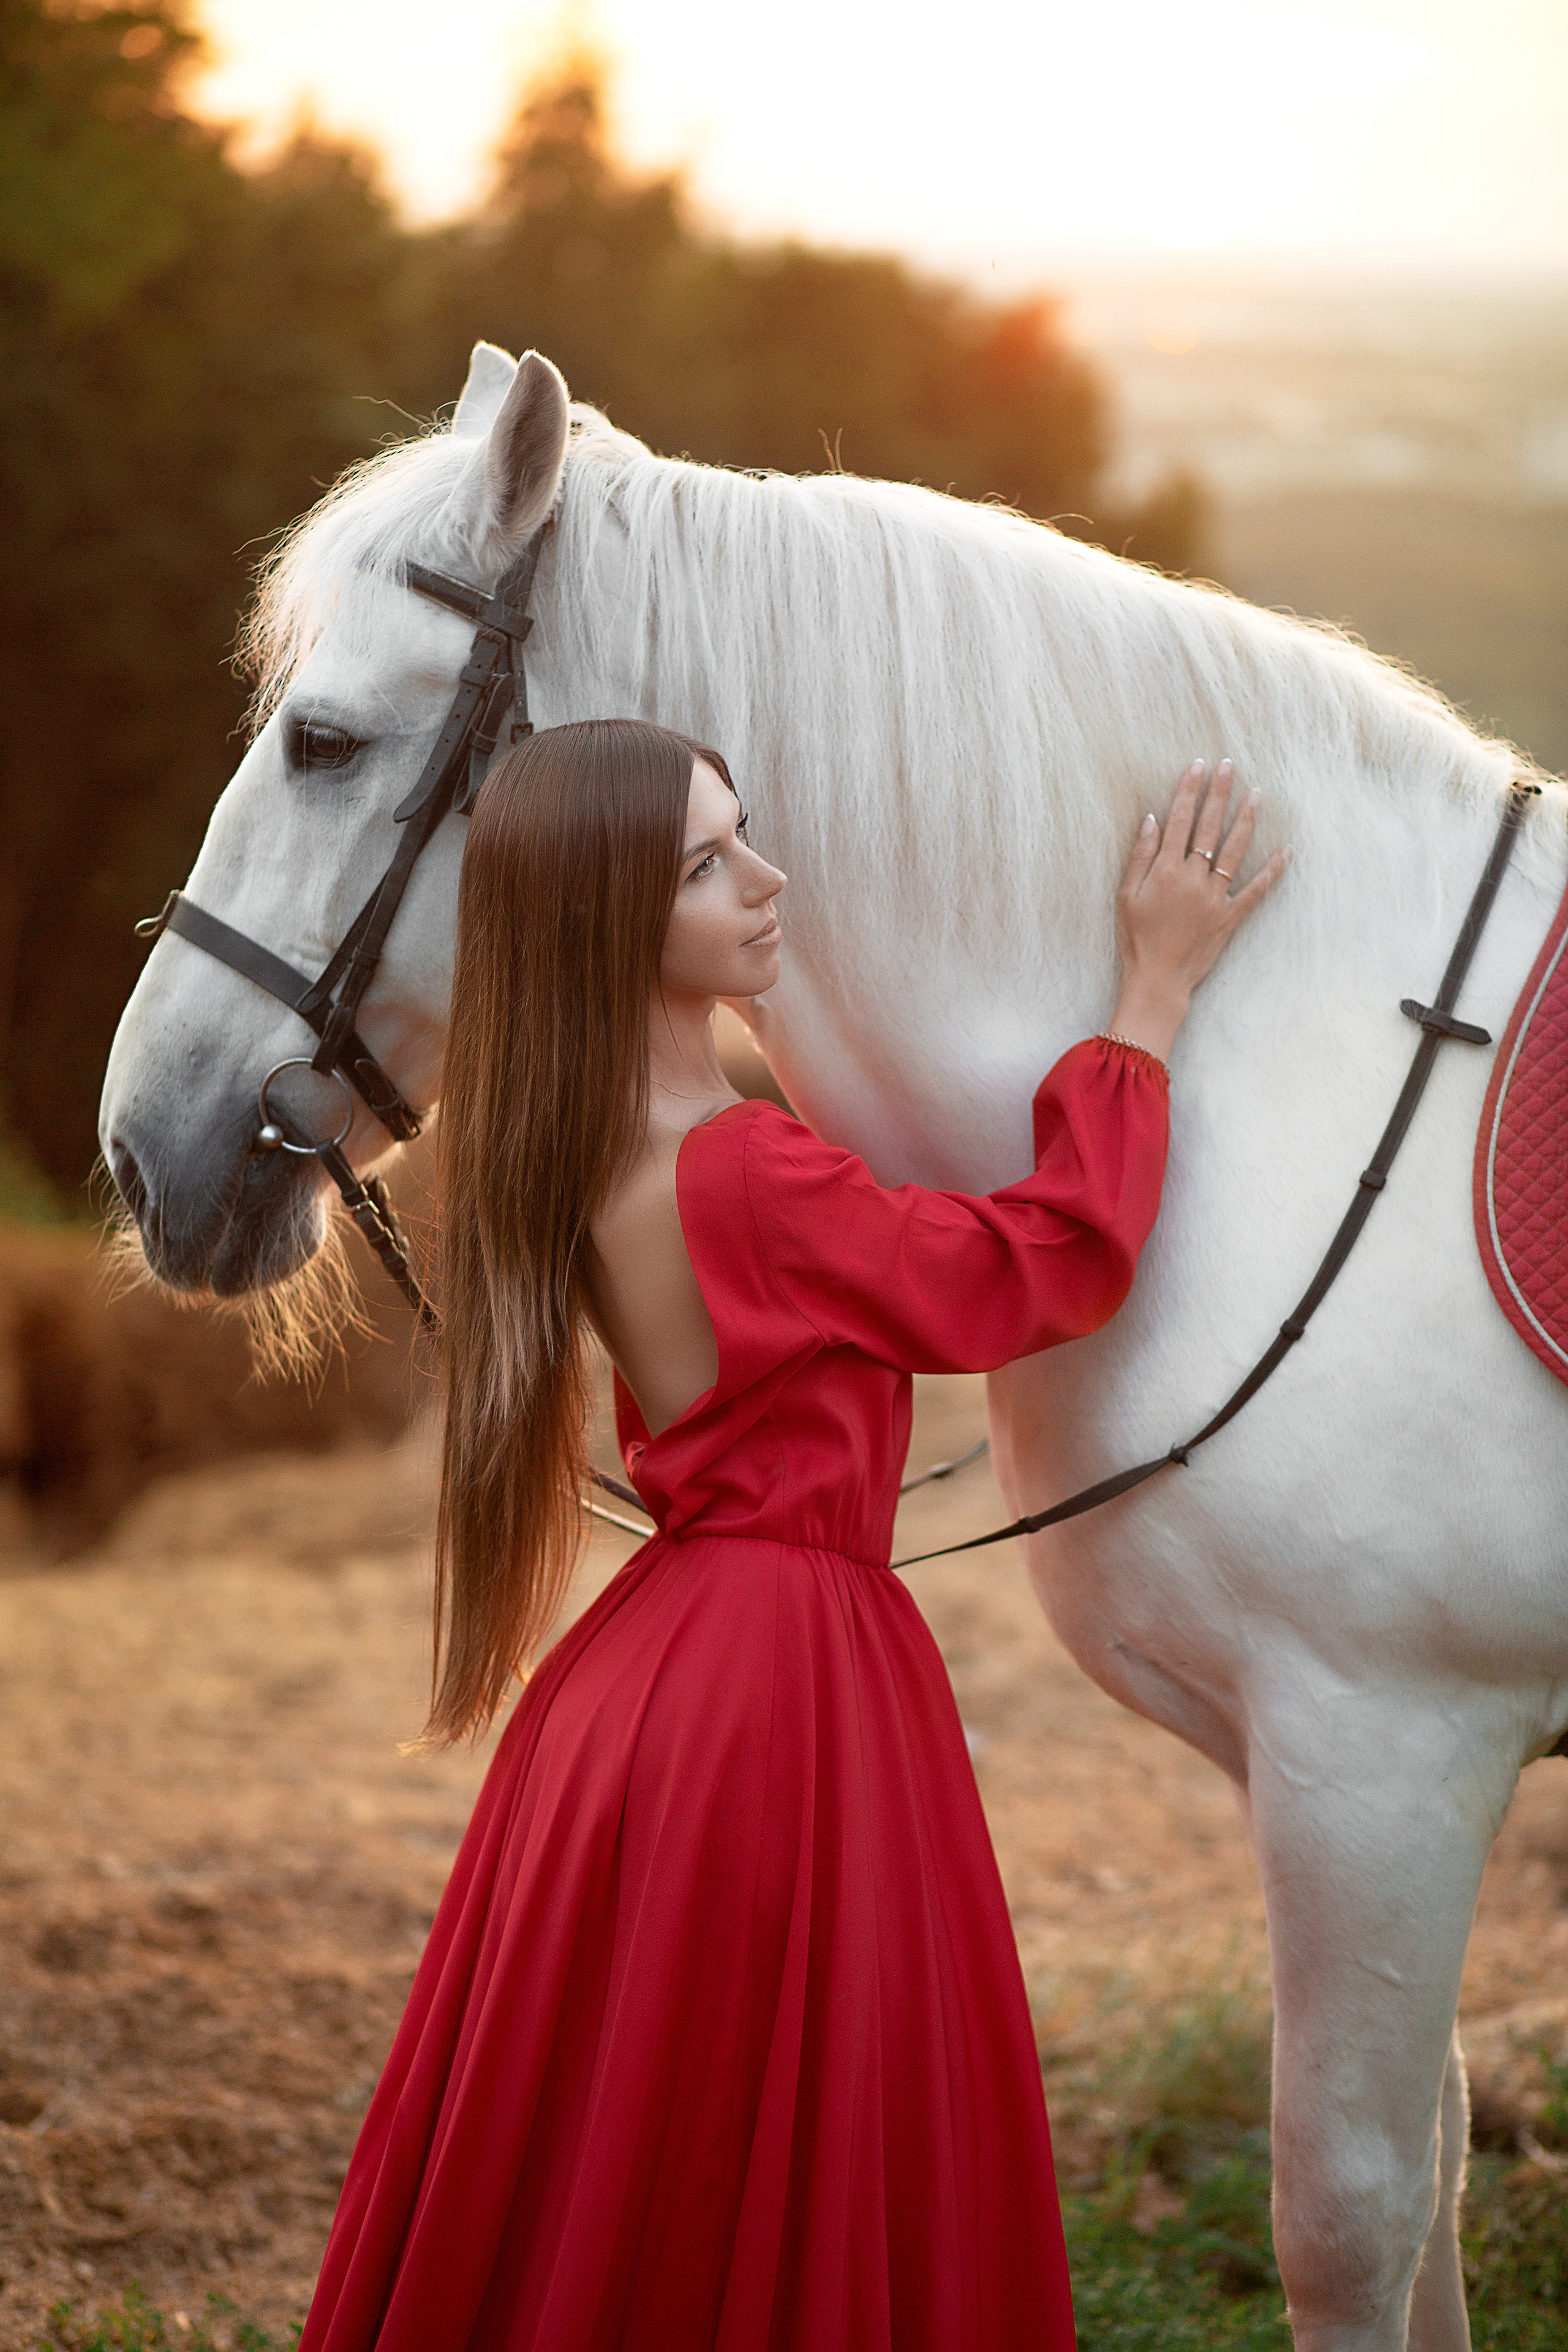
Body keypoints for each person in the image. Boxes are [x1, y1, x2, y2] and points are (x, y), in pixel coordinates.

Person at [298, 720, 1287, 2352]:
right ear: (614, 918)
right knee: (790, 2118)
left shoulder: (590, 1145)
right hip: (779, 1686)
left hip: (656, 1680)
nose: (765, 879)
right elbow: (1028, 1273)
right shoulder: (742, 1169)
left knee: (649, 2133)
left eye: (741, 834)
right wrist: (1153, 997)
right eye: (705, 867)